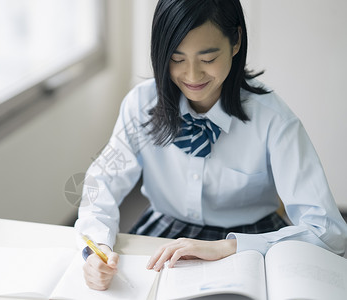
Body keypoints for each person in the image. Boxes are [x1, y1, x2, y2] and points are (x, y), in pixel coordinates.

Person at [75, 0, 347, 291]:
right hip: (163, 236)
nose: (192, 76)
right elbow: (98, 184)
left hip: (250, 242)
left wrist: (228, 247)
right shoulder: (141, 105)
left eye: (207, 58)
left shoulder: (273, 120)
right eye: (176, 59)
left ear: (235, 42)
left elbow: (329, 231)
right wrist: (97, 246)